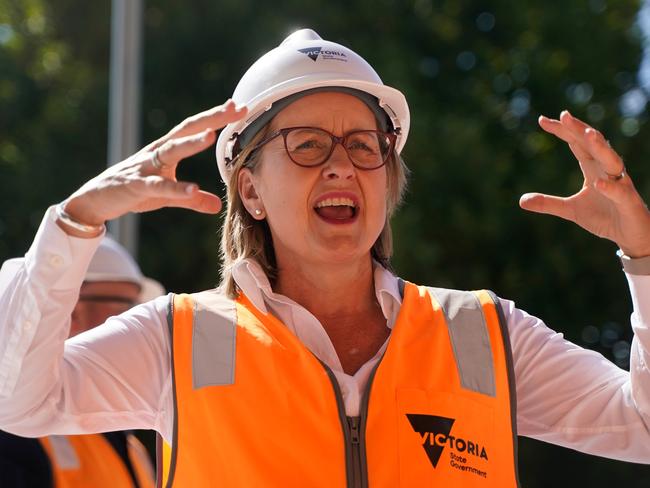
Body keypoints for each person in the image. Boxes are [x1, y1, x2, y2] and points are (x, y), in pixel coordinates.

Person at [0, 28, 649, 487]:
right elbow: (19, 402)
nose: (343, 165)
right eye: (308, 145)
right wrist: (73, 223)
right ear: (249, 188)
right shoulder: (177, 341)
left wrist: (644, 258)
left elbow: (640, 427)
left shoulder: (484, 334)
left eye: (365, 145)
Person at [0, 236, 162, 487]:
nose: (136, 323)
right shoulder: (10, 425)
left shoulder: (127, 438)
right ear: (69, 308)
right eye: (127, 307)